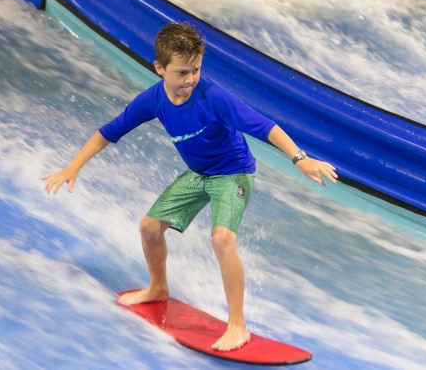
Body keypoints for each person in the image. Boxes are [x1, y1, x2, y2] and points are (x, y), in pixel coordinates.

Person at [42, 22, 338, 352]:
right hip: (198, 173)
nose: (190, 80)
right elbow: (107, 132)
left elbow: (264, 126)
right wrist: (72, 167)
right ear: (159, 68)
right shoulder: (153, 100)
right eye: (182, 72)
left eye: (196, 69)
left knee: (222, 239)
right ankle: (158, 288)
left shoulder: (213, 97)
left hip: (233, 173)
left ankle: (238, 325)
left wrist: (300, 159)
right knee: (149, 227)